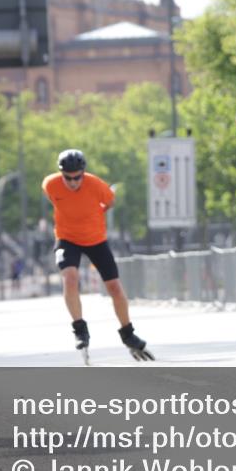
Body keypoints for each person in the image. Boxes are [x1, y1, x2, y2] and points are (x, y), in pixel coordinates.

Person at [42, 148, 154, 363]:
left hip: (96, 240)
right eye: (68, 178)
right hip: (67, 238)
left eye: (77, 177)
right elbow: (54, 198)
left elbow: (110, 202)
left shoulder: (96, 186)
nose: (73, 182)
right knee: (70, 278)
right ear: (61, 173)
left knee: (115, 288)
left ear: (83, 172)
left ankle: (128, 333)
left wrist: (94, 214)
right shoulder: (50, 184)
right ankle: (80, 329)